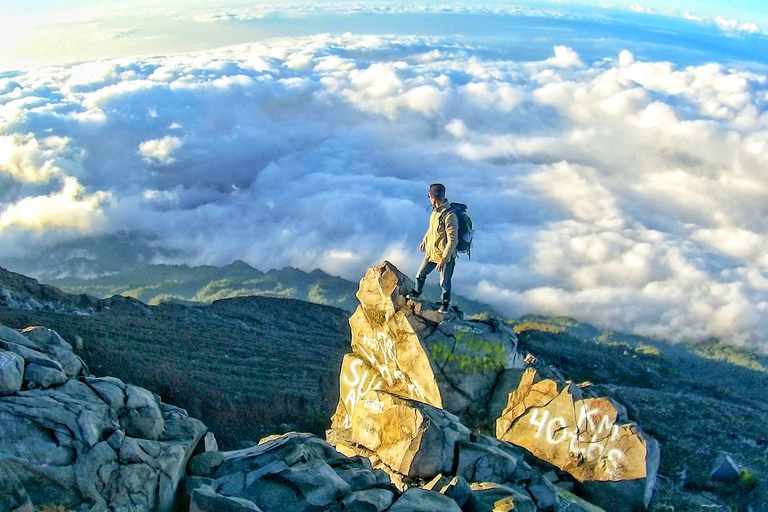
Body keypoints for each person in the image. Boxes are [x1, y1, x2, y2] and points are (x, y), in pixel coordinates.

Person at [408, 183, 458, 313]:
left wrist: (444, 258)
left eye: (429, 196)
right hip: (431, 253)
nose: (429, 198)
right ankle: (417, 292)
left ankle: (445, 304)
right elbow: (432, 230)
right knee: (420, 275)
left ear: (433, 197)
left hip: (445, 257)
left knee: (444, 283)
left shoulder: (449, 216)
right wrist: (424, 241)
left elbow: (453, 240)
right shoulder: (436, 211)